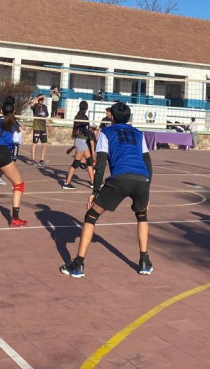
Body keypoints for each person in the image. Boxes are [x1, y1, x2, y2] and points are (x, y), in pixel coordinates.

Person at [60, 101, 153, 278]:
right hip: (142, 179)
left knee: (91, 216)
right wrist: (147, 191)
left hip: (120, 178)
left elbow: (100, 163)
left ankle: (78, 265)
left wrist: (95, 191)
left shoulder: (106, 132)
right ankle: (144, 262)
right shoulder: (138, 134)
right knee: (142, 216)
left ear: (111, 116)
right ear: (129, 117)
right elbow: (148, 163)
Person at [61, 101, 95, 190]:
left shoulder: (77, 116)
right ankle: (67, 183)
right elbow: (85, 131)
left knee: (90, 161)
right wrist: (91, 130)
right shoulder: (84, 117)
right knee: (76, 163)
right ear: (86, 108)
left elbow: (81, 129)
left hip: (80, 141)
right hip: (81, 141)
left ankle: (93, 182)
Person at [30, 95, 50, 166]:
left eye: (43, 99)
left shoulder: (45, 107)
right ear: (38, 99)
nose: (42, 101)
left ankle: (42, 160)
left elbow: (46, 117)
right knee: (34, 144)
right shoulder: (35, 106)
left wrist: (49, 126)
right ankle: (33, 160)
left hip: (43, 128)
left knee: (44, 144)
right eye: (41, 99)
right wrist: (38, 97)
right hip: (37, 127)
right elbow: (31, 104)